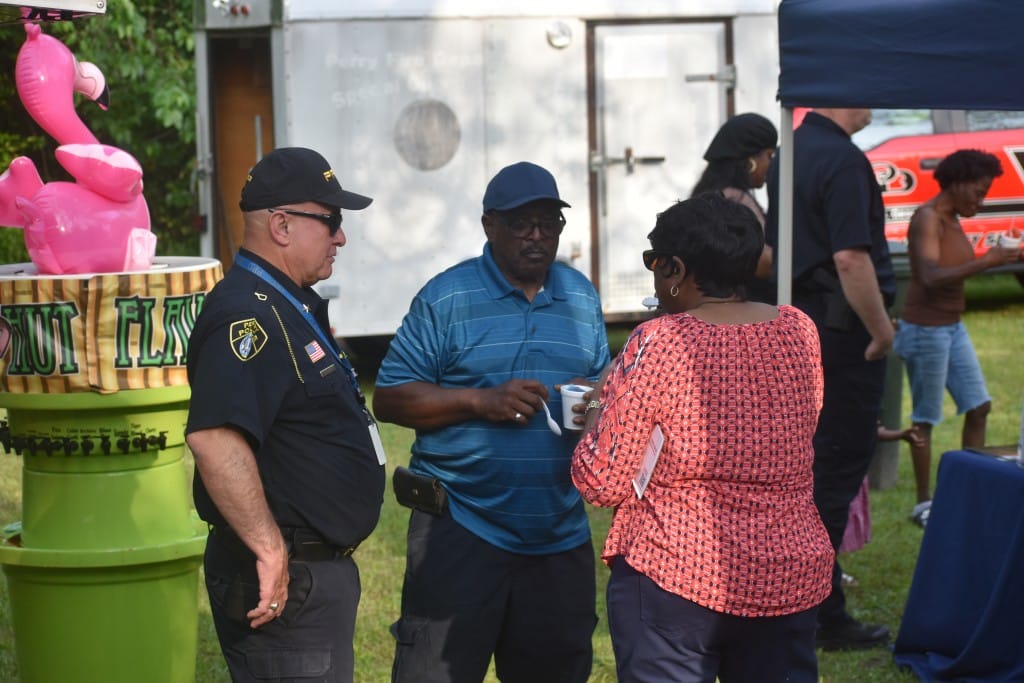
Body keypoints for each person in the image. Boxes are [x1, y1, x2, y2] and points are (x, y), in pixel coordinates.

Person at [572, 193, 833, 683]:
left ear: (675, 269)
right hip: (788, 571)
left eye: (653, 262)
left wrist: (597, 406)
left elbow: (601, 481)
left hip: (677, 574)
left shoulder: (662, 341)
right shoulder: (799, 329)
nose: (653, 275)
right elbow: (803, 427)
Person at [374, 161, 611, 683]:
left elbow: (601, 388)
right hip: (461, 528)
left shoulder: (580, 297)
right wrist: (481, 403)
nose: (537, 237)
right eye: (523, 224)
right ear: (489, 225)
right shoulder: (447, 298)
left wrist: (595, 405)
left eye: (549, 224)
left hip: (558, 533)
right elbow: (389, 399)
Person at [185, 147, 385, 682]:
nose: (340, 236)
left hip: (311, 579)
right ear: (280, 225)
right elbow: (215, 438)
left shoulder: (285, 301)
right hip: (285, 582)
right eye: (331, 221)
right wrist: (271, 550)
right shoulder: (247, 314)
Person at [765, 108, 896, 651]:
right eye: (866, 95)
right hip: (843, 335)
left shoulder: (788, 154)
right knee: (834, 477)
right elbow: (849, 256)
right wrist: (882, 330)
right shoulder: (841, 158)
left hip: (802, 331)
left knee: (805, 472)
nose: (872, 107)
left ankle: (803, 602)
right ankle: (820, 612)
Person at [893, 149, 1021, 527]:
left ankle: (971, 492)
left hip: (952, 325)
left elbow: (957, 268)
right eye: (978, 193)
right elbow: (931, 276)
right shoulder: (928, 218)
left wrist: (1009, 259)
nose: (980, 202)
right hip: (925, 328)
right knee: (925, 419)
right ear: (958, 183)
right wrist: (989, 261)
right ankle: (923, 504)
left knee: (979, 406)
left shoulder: (954, 218)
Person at [692, 112, 778, 302]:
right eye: (770, 155)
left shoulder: (711, 195)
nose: (773, 164)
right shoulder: (735, 200)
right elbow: (763, 263)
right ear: (750, 162)